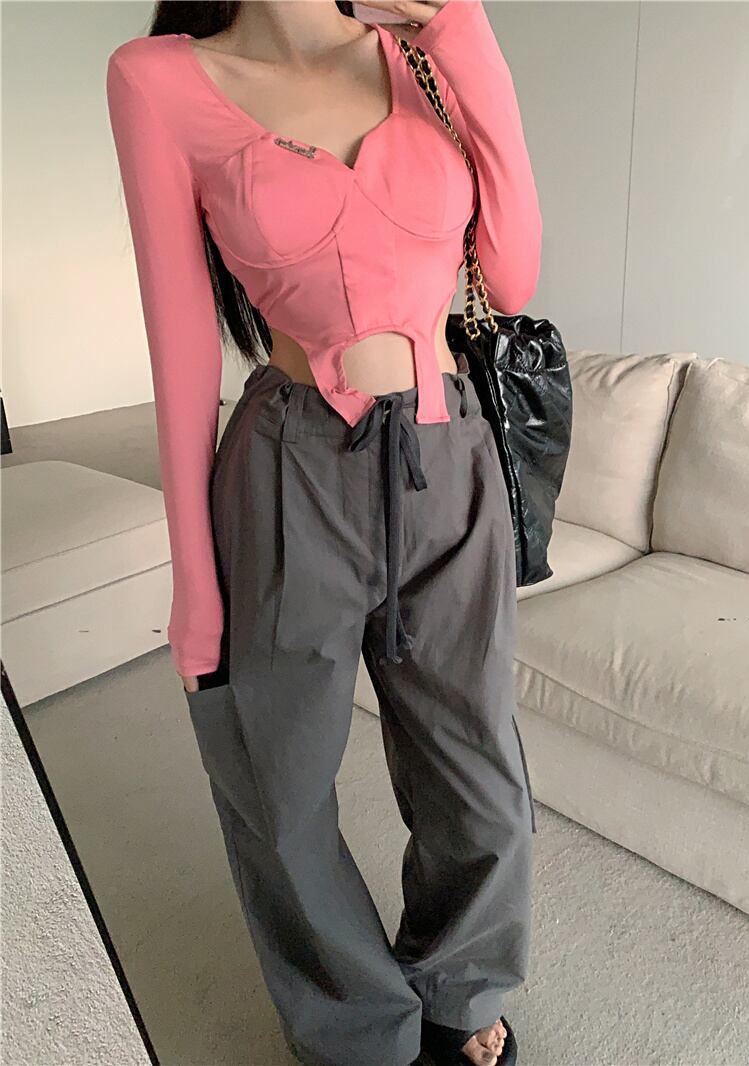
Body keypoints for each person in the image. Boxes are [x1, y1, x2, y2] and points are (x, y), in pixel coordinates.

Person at [106, 1, 542, 1063]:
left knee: (478, 765)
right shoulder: (159, 80)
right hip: (290, 462)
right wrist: (193, 580)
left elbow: (512, 274)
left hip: (447, 454)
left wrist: (463, 30)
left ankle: (459, 980)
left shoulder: (423, 55)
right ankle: (357, 1030)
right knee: (280, 780)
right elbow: (181, 346)